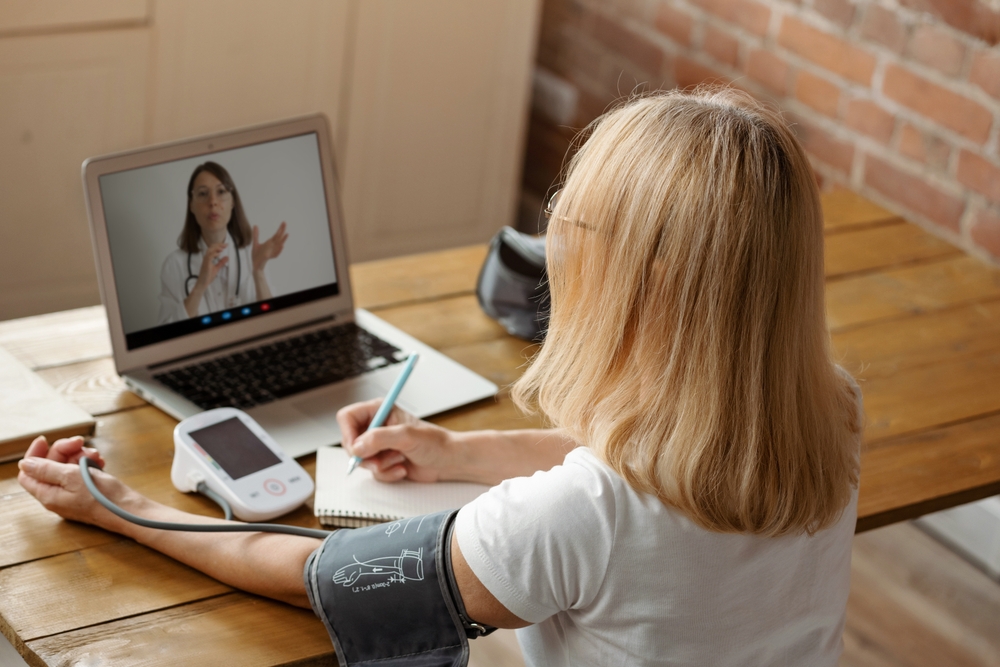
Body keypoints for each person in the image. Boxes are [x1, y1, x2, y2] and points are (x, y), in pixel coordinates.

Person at [19, 88, 862, 665]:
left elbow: (320, 574)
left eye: (571, 232)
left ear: (637, 285)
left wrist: (122, 507)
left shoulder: (576, 515)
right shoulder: (828, 409)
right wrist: (457, 452)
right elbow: (666, 449)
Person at [157, 161, 289, 324]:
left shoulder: (253, 253)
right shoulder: (174, 265)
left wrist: (258, 272)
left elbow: (274, 323)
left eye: (221, 191)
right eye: (203, 194)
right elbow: (167, 333)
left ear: (232, 202)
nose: (213, 202)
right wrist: (199, 287)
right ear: (191, 205)